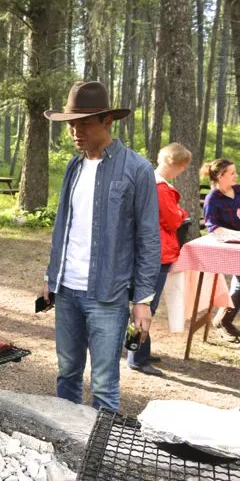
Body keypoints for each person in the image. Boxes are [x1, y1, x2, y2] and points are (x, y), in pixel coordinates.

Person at [42, 81, 160, 411]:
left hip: (107, 294)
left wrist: (143, 299)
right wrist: (51, 277)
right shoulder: (74, 167)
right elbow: (63, 226)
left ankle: (99, 457)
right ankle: (67, 443)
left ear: (107, 121)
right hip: (67, 291)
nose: (75, 131)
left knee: (105, 384)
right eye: (71, 124)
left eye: (84, 123)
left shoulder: (137, 169)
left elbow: (148, 238)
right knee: (67, 373)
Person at [128, 143, 192, 376]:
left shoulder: (150, 180)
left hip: (150, 249)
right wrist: (182, 213)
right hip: (157, 252)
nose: (181, 172)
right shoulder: (162, 188)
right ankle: (137, 356)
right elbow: (174, 219)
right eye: (181, 168)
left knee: (143, 305)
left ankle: (140, 348)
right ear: (176, 164)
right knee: (145, 306)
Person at [201, 158, 240, 342]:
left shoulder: (239, 190)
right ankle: (224, 320)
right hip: (228, 249)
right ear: (220, 176)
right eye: (232, 173)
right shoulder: (212, 199)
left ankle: (224, 319)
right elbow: (213, 227)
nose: (236, 175)